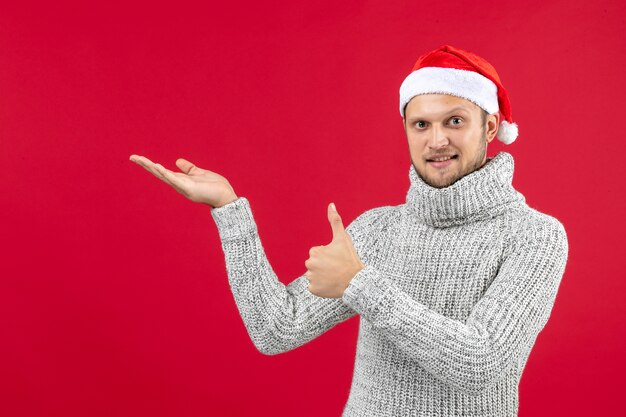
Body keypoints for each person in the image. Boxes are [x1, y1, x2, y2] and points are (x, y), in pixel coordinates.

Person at [129, 44, 569, 417]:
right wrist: (229, 211)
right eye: (422, 124)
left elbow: (482, 362)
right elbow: (276, 329)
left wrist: (360, 284)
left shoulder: (535, 236)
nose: (437, 140)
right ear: (407, 130)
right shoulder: (377, 230)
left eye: (455, 121)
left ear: (490, 126)